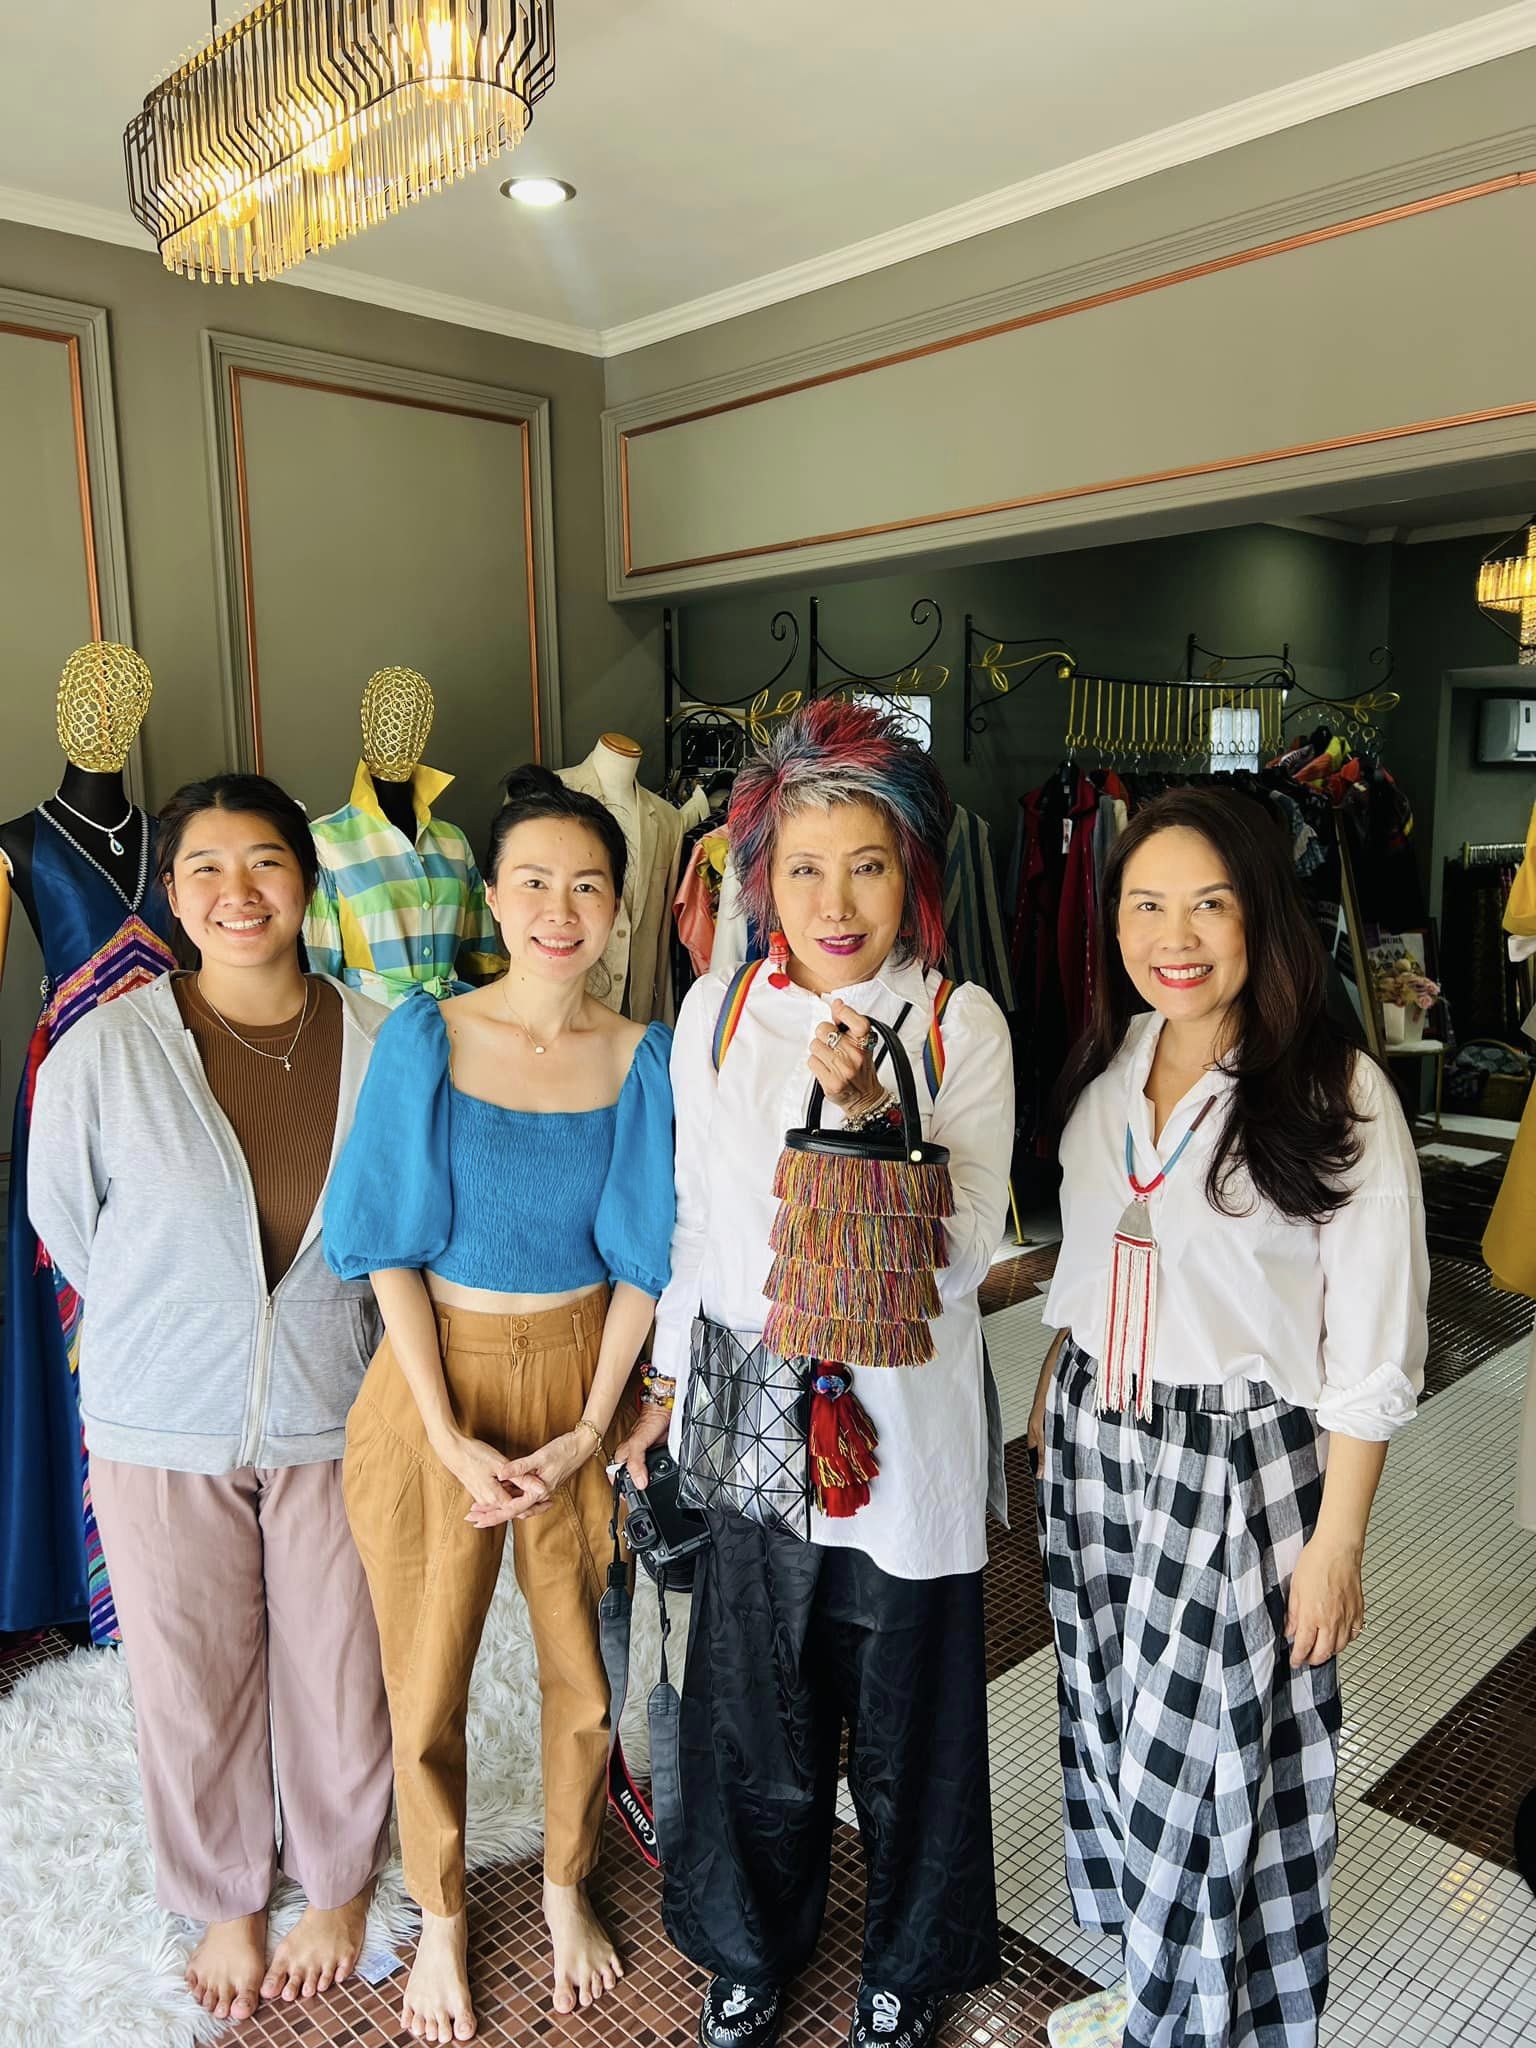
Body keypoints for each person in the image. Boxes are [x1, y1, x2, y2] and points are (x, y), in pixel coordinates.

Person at [618, 697, 1013, 2048]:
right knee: (754, 1712)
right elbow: (695, 1224)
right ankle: (750, 1944)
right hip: (747, 1413)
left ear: (914, 874)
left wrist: (877, 1122)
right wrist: (663, 1391)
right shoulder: (720, 1010)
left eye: (867, 866)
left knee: (910, 1720)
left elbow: (966, 1255)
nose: (835, 903)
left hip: (902, 1429)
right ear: (760, 880)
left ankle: (908, 1959)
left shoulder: (959, 1024)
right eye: (804, 867)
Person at [1026, 787, 1429, 2048]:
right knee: (1114, 1725)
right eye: (1147, 903)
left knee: (1210, 1765)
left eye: (1209, 903)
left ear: (1261, 913)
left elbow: (1371, 1345)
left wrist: (1337, 1540)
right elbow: (1094, 1252)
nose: (1175, 934)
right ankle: (1154, 1980)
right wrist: (1055, 1381)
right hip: (1097, 1443)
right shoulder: (1113, 1067)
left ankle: (1195, 2022)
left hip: (1235, 1462)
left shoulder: (1334, 1088)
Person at [27, 773, 394, 2025]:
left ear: (307, 879)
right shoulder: (105, 1048)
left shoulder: (386, 1040)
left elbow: (403, 1226)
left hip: (337, 1405)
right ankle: (229, 1894)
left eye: (266, 861)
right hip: (160, 1418)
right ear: (172, 896)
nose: (239, 891)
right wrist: (185, 1318)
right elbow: (67, 1221)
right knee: (190, 1672)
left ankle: (339, 1877)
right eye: (206, 868)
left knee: (341, 1661)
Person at [325, 764, 675, 2045]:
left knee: (582, 1671)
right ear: (492, 892)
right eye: (533, 881)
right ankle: (443, 1912)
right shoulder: (426, 1033)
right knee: (426, 1674)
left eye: (587, 885)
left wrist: (590, 1426)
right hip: (437, 1373)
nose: (558, 909)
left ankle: (569, 1882)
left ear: (620, 907)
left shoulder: (642, 1058)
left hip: (582, 1371)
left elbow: (647, 1263)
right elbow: (383, 1246)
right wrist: (444, 1428)